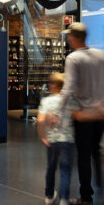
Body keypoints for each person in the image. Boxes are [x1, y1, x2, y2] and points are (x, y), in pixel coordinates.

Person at [51, 23, 104, 205]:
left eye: (69, 36)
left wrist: (57, 112)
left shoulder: (73, 58)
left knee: (83, 155)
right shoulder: (100, 55)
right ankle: (101, 186)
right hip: (100, 114)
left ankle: (86, 197)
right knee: (96, 151)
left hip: (83, 115)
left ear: (73, 38)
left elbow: (68, 88)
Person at [37, 73, 79, 205]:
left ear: (51, 85)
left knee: (51, 167)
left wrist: (42, 136)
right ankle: (63, 199)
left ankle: (49, 196)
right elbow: (77, 117)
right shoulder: (70, 100)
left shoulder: (46, 101)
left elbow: (40, 120)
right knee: (65, 170)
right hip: (68, 139)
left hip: (52, 141)